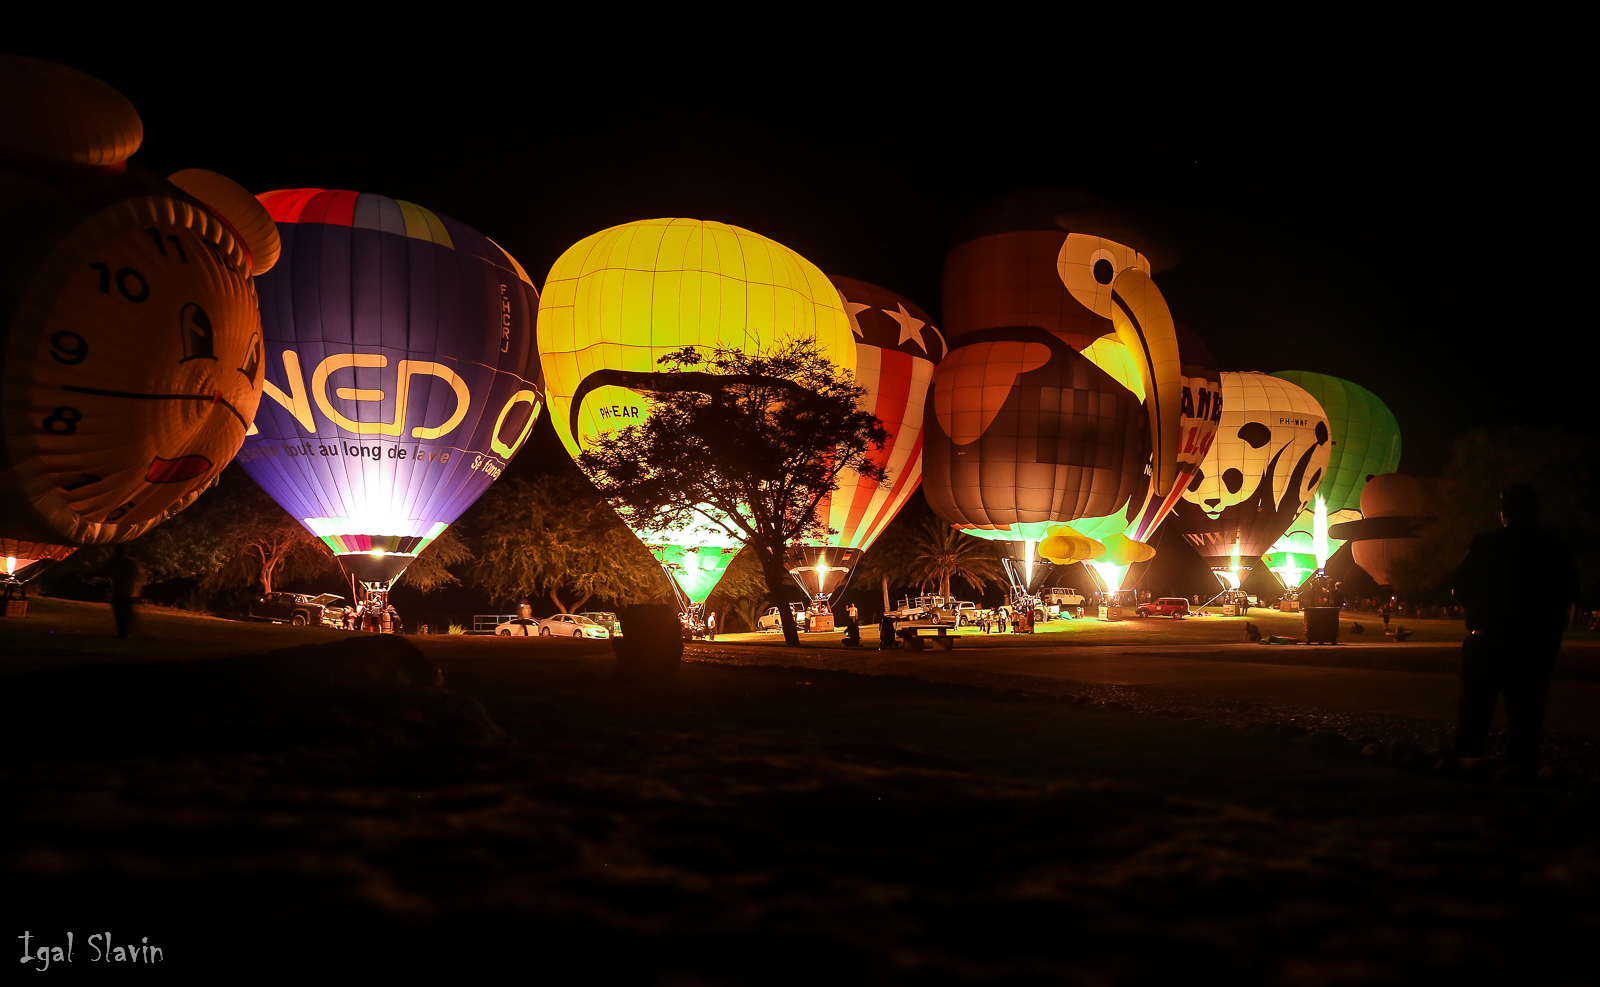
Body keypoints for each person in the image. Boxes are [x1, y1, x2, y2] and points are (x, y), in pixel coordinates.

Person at [1451, 485, 1579, 771]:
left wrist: (1478, 612)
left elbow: (1458, 587)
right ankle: (1520, 771)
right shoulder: (1554, 548)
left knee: (1473, 714)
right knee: (1526, 717)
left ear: (1503, 513)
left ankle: (1465, 769)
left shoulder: (1485, 543)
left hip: (1487, 641)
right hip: (1534, 646)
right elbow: (1569, 592)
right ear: (1536, 512)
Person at [106, 545, 144, 639]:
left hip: (124, 591)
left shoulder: (120, 562)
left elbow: (137, 576)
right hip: (125, 591)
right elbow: (139, 576)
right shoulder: (129, 562)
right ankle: (126, 631)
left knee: (122, 612)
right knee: (123, 612)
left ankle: (125, 631)